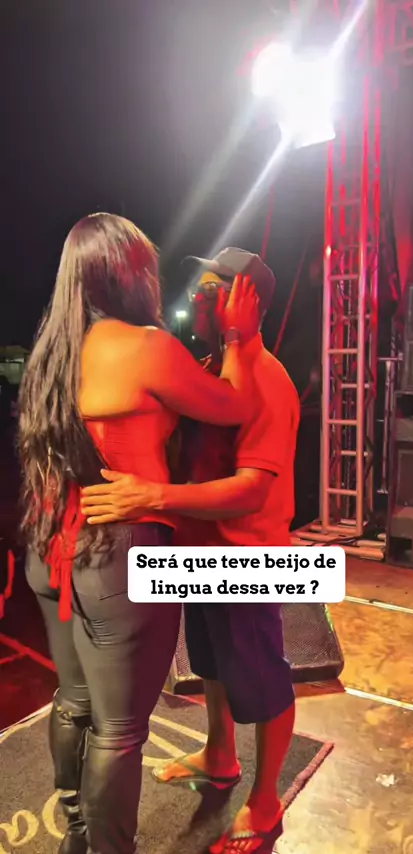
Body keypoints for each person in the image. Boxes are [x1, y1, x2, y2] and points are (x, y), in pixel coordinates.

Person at [17, 217, 259, 854]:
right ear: (127, 273)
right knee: (119, 731)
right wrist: (236, 335)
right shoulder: (146, 346)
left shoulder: (50, 353)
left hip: (49, 544)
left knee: (73, 702)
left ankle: (77, 835)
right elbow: (235, 405)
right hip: (118, 556)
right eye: (147, 265)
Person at [81, 248, 300, 854]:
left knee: (265, 682)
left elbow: (252, 488)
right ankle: (220, 755)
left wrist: (153, 494)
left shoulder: (266, 380)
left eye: (212, 291)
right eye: (201, 289)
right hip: (199, 548)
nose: (197, 298)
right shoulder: (211, 370)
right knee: (210, 664)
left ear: (244, 303)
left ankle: (266, 801)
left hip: (248, 557)